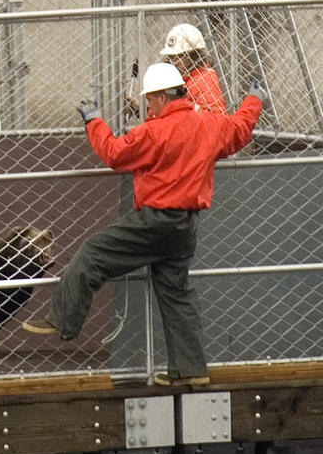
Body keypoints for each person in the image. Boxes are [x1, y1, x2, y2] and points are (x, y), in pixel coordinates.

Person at [22, 63, 265, 386]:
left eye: (150, 100)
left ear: (162, 98)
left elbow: (113, 154)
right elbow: (240, 128)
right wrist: (254, 99)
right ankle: (191, 370)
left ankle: (64, 319)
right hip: (185, 227)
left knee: (94, 252)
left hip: (154, 221)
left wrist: (94, 121)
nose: (148, 106)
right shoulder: (209, 125)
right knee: (176, 295)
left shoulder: (153, 132)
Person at [160, 23, 226, 113]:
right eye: (170, 57)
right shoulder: (184, 79)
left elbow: (215, 117)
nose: (173, 63)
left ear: (193, 55)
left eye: (178, 57)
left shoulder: (205, 80)